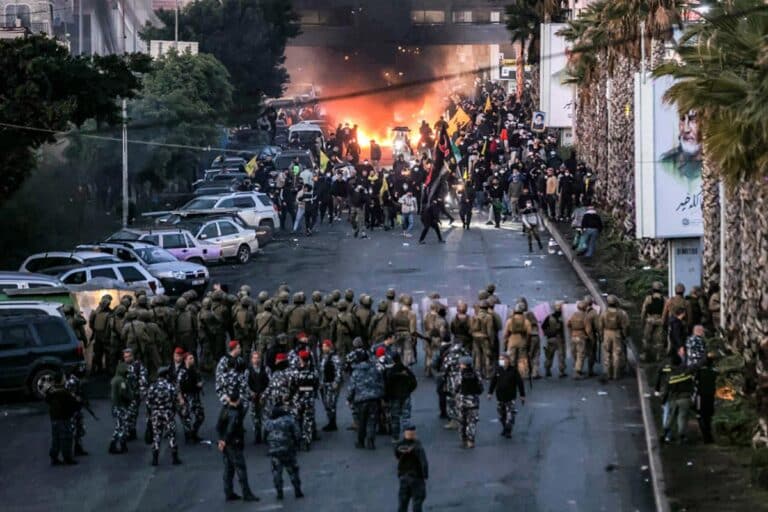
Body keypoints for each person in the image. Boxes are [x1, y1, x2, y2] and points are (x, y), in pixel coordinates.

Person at [217, 389, 259, 502]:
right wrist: (225, 440)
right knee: (240, 468)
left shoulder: (224, 410)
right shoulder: (235, 414)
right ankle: (247, 493)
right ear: (238, 400)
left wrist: (221, 440)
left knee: (228, 469)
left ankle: (228, 492)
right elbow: (231, 429)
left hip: (225, 444)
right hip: (233, 443)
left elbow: (219, 426)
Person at [264, 406, 304, 500]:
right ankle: (297, 490)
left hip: (274, 451)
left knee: (276, 472)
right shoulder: (289, 420)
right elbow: (297, 433)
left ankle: (279, 492)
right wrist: (296, 443)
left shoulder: (268, 423)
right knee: (293, 470)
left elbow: (264, 436)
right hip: (288, 449)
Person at [347, 349, 385, 449]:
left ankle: (360, 442)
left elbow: (351, 388)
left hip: (360, 400)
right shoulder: (374, 369)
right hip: (373, 399)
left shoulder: (355, 372)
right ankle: (371, 441)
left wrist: (349, 399)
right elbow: (381, 383)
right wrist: (381, 396)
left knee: (361, 422)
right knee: (372, 421)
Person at [45, 371, 81, 465]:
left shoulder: (51, 390)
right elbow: (73, 404)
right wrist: (76, 400)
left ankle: (54, 457)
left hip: (54, 418)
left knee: (56, 438)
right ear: (61, 380)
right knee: (66, 438)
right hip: (64, 418)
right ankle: (67, 458)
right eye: (64, 378)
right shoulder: (64, 392)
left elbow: (47, 400)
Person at [147, 366, 181, 466]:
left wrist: (150, 413)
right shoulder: (170, 386)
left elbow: (148, 402)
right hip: (168, 414)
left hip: (156, 414)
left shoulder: (153, 386)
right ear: (166, 375)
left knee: (156, 436)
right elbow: (175, 400)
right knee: (171, 435)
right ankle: (175, 458)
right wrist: (173, 410)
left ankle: (155, 459)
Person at [487, 354, 526, 438]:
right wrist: (490, 393)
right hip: (500, 397)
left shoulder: (514, 370)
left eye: (503, 359)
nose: (502, 361)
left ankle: (508, 430)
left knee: (510, 414)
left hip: (510, 397)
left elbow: (520, 383)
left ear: (508, 360)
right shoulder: (498, 370)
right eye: (500, 359)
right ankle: (504, 427)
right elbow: (493, 382)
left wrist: (522, 395)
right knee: (502, 415)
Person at [395, 425, 429, 512]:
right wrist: (425, 475)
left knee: (403, 501)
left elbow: (397, 454)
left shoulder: (400, 445)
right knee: (417, 501)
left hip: (404, 476)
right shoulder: (417, 446)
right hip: (416, 477)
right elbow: (423, 462)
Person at [385, 353, 418, 442]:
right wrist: (408, 390)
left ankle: (395, 437)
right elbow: (414, 382)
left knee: (395, 418)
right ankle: (407, 436)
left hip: (394, 397)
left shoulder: (391, 372)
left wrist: (388, 397)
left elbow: (387, 386)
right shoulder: (406, 370)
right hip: (405, 396)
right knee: (406, 417)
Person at [598, 295, 630, 380]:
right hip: (617, 334)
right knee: (617, 354)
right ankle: (616, 374)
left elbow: (600, 326)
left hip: (606, 333)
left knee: (607, 353)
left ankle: (609, 373)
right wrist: (625, 336)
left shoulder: (604, 313)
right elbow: (625, 326)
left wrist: (601, 336)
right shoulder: (621, 313)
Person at [178, 352, 205, 443]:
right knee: (186, 418)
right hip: (186, 397)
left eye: (193, 358)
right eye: (190, 358)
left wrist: (201, 384)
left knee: (200, 416)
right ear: (185, 360)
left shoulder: (195, 370)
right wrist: (180, 398)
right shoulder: (181, 372)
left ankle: (194, 432)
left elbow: (200, 379)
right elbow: (177, 387)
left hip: (195, 396)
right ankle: (188, 436)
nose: (192, 360)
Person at [456, 357, 483, 448]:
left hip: (462, 401)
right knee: (472, 422)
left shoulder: (460, 374)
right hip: (474, 401)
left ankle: (463, 439)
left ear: (463, 365)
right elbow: (481, 388)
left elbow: (456, 387)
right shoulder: (476, 373)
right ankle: (470, 441)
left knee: (461, 421)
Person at [64, 365, 89, 456]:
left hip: (77, 409)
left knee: (79, 429)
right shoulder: (71, 382)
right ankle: (68, 452)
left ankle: (78, 448)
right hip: (71, 410)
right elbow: (68, 394)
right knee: (72, 430)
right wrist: (76, 398)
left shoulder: (77, 381)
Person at [109, 362, 133, 454]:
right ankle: (114, 445)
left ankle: (121, 445)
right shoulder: (121, 381)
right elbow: (123, 393)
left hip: (115, 406)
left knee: (121, 426)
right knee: (121, 426)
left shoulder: (114, 379)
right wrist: (129, 398)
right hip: (121, 406)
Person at [319, 339, 343, 432]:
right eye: (323, 346)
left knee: (331, 404)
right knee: (327, 404)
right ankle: (330, 421)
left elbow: (338, 371)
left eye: (324, 346)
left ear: (329, 347)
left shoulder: (334, 357)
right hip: (325, 384)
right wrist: (321, 383)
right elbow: (321, 371)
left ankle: (332, 423)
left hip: (331, 384)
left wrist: (336, 382)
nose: (323, 348)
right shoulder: (324, 357)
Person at [246, 351, 269, 444]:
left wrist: (265, 394)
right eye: (254, 358)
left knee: (265, 417)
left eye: (258, 358)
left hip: (263, 396)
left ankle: (266, 436)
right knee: (255, 418)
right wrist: (251, 393)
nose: (256, 360)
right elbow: (245, 384)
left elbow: (270, 383)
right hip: (253, 397)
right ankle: (257, 436)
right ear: (251, 360)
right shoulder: (248, 371)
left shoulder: (266, 369)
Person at [641, 282, 666, 361]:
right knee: (659, 339)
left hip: (650, 320)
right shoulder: (664, 299)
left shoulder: (648, 298)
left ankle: (645, 355)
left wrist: (642, 321)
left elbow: (644, 311)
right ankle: (659, 355)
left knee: (647, 338)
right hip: (660, 320)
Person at [695, 353, 717, 444]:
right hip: (710, 396)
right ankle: (708, 435)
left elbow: (695, 382)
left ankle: (705, 436)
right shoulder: (714, 372)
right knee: (708, 416)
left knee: (700, 416)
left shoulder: (700, 372)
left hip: (701, 396)